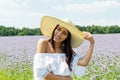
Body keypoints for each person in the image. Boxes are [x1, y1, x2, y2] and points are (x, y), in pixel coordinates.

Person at [33, 16, 95, 80]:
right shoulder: (43, 43)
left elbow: (84, 62)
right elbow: (40, 72)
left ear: (67, 37)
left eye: (64, 33)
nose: (59, 34)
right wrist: (65, 78)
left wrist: (92, 43)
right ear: (55, 29)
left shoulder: (66, 51)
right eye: (58, 29)